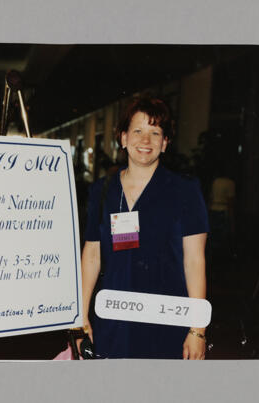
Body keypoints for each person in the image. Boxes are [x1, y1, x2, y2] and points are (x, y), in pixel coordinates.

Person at [80, 96, 209, 359]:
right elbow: (91, 255)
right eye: (137, 131)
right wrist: (81, 318)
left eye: (155, 132)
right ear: (124, 138)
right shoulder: (102, 191)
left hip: (165, 319)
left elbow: (195, 261)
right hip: (111, 319)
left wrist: (197, 329)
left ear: (165, 143)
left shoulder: (184, 190)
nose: (145, 140)